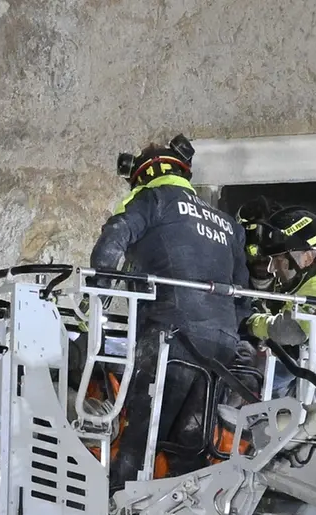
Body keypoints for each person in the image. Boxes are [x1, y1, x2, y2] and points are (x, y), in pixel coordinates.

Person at [89, 134, 249, 491]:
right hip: (222, 345)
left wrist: (94, 299)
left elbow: (112, 245)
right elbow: (242, 295)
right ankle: (185, 511)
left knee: (143, 433)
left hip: (170, 338)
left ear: (142, 175)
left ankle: (113, 508)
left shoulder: (151, 199)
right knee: (191, 438)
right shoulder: (227, 224)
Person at [240, 205, 316, 395]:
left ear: (307, 256)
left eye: (278, 260)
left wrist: (252, 323)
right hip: (315, 388)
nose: (271, 269)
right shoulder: (314, 284)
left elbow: (291, 331)